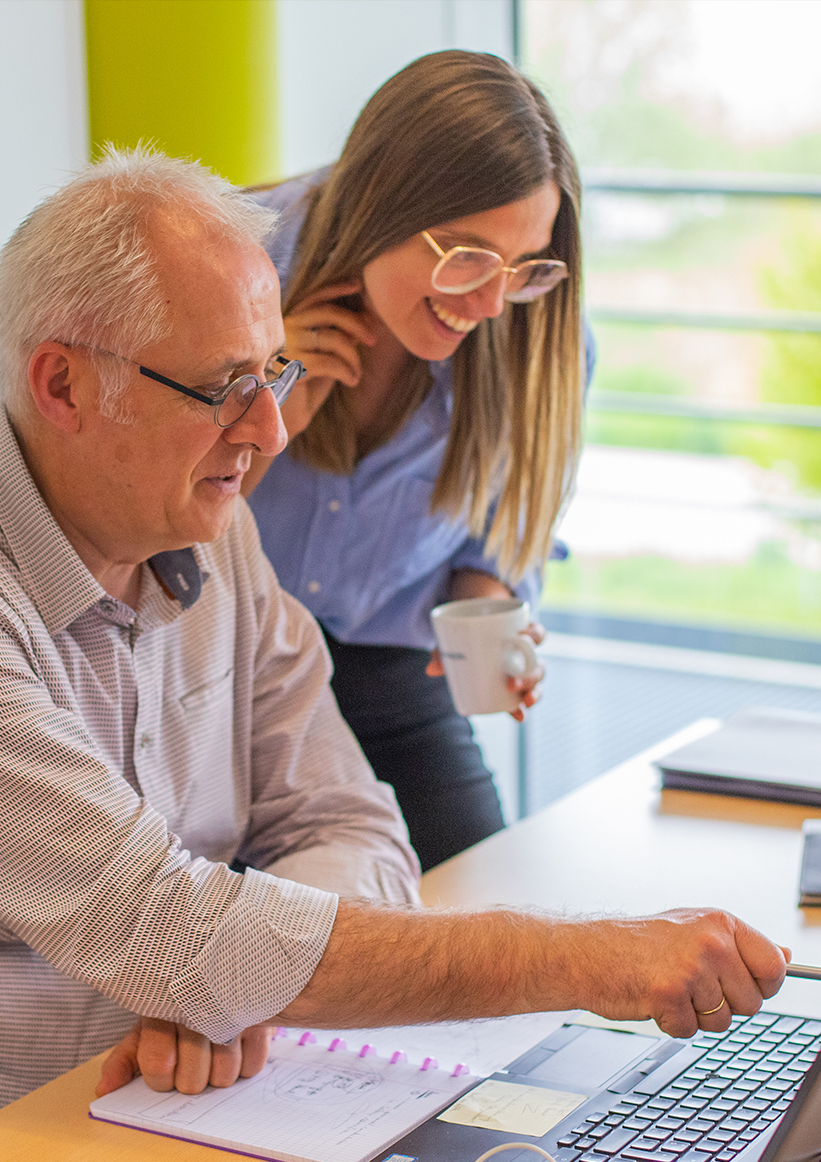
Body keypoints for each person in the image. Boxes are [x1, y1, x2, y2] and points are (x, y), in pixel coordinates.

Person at [0, 149, 786, 1162]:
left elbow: (348, 819)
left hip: (142, 1115)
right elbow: (159, 923)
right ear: (60, 382)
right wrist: (587, 955)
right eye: (223, 387)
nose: (271, 429)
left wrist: (221, 980)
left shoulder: (210, 524)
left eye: (275, 372)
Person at [242, 51, 589, 870]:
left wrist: (489, 609)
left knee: (488, 914)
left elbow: (497, 539)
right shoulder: (239, 268)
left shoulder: (533, 332)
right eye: (465, 255)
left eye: (521, 264)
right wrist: (261, 399)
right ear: (378, 204)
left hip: (392, 678)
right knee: (245, 956)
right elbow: (144, 532)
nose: (490, 303)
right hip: (218, 676)